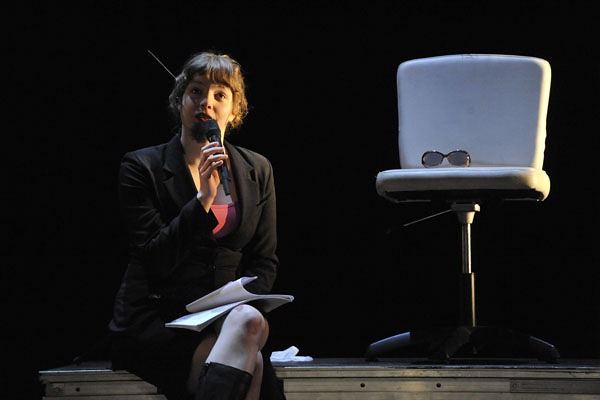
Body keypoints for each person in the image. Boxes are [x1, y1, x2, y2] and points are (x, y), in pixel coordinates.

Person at [107, 51, 284, 400]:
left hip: (226, 317)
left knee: (248, 320)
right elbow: (154, 258)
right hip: (159, 317)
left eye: (220, 94)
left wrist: (231, 306)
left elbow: (264, 260)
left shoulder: (257, 169)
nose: (207, 102)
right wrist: (203, 199)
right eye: (196, 92)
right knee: (252, 359)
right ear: (180, 102)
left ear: (235, 110)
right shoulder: (141, 166)